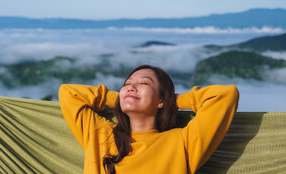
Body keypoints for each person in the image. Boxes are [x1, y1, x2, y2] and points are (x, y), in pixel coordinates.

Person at [59, 65, 239, 174]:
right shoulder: (100, 134)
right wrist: (120, 99)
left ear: (161, 100)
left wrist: (172, 100)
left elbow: (225, 95)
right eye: (127, 84)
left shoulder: (183, 142)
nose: (131, 87)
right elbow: (68, 93)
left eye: (144, 83)